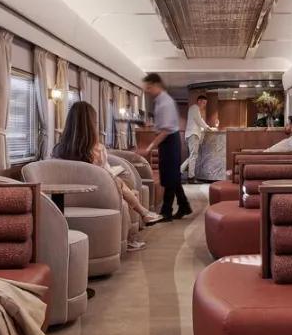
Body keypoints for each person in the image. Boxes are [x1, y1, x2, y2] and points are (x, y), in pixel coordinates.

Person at [53, 101, 163, 250]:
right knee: (117, 183)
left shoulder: (58, 150)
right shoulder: (97, 150)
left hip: (67, 198)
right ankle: (136, 226)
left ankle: (143, 215)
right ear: (92, 124)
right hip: (96, 196)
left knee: (118, 184)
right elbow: (106, 176)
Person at [140, 73, 192, 221]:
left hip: (170, 140)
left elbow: (166, 130)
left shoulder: (166, 102)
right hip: (167, 141)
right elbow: (162, 126)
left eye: (149, 87)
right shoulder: (159, 101)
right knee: (172, 176)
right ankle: (183, 206)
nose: (147, 91)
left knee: (170, 176)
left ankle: (166, 212)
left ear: (156, 85)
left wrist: (149, 148)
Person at [181, 94, 213, 182]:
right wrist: (207, 127)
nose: (204, 105)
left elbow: (200, 120)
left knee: (192, 155)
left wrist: (206, 127)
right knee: (193, 156)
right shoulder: (195, 108)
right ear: (199, 101)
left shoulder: (195, 109)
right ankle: (190, 177)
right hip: (193, 134)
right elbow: (199, 121)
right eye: (204, 103)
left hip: (191, 134)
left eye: (205, 103)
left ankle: (181, 171)